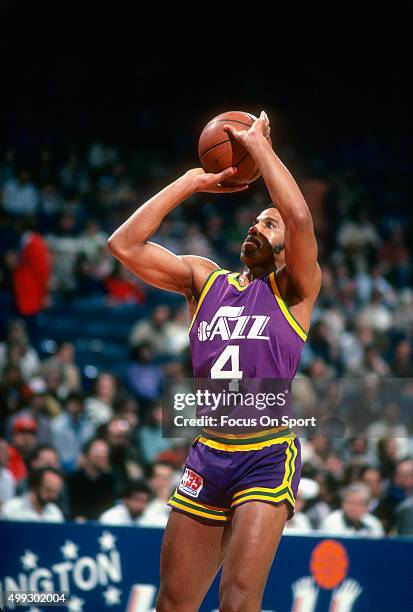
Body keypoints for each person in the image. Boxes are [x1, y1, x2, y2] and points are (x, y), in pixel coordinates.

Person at [108, 112, 321, 611]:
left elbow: (301, 219)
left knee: (238, 601)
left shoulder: (294, 290)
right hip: (208, 453)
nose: (257, 225)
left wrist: (258, 147)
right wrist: (190, 182)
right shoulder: (206, 282)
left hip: (266, 456)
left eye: (269, 224)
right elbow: (123, 244)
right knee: (173, 603)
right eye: (254, 219)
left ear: (290, 251)